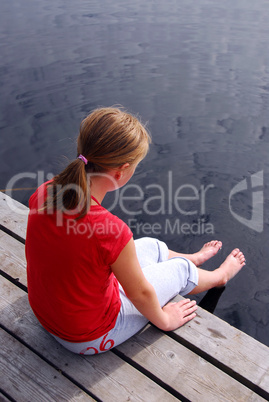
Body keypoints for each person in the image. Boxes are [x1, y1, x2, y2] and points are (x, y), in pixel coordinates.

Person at [25, 106, 246, 355]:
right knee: (180, 271)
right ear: (121, 172)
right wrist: (165, 320)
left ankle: (194, 259)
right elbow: (139, 294)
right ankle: (219, 275)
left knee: (150, 245)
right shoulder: (110, 231)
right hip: (86, 336)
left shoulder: (46, 191)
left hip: (49, 314)